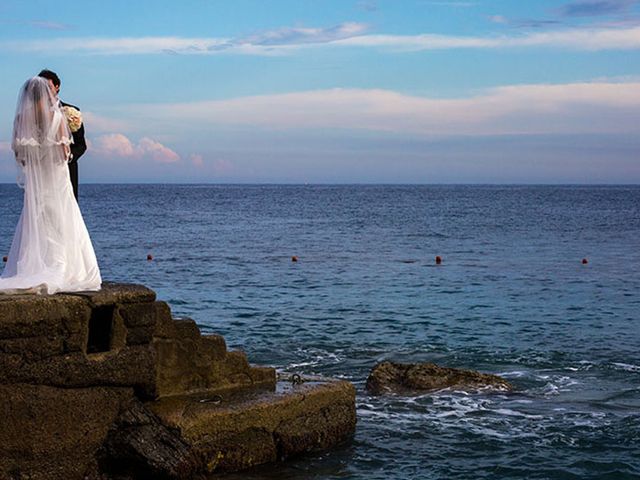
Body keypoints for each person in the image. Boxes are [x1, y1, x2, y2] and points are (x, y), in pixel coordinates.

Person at [0, 77, 101, 294]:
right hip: (56, 176)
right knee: (63, 218)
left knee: (37, 218)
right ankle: (63, 267)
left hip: (38, 180)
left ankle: (34, 266)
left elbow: (20, 156)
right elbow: (65, 153)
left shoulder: (21, 118)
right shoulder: (57, 116)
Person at [38, 69, 86, 201]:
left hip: (66, 171)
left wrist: (68, 156)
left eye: (48, 87)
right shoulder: (33, 115)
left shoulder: (71, 112)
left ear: (57, 87)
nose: (45, 91)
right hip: (43, 172)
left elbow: (81, 145)